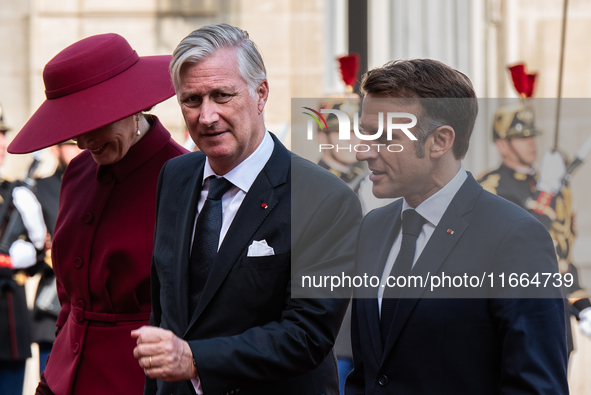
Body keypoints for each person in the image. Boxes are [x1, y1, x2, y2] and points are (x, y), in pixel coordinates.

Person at [131, 23, 361, 395]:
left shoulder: (324, 197)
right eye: (192, 100)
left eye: (222, 96)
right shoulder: (174, 177)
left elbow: (308, 335)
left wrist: (195, 359)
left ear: (261, 93)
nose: (206, 116)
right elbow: (165, 313)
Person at [345, 59, 568, 394]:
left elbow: (537, 385)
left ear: (439, 141)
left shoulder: (514, 237)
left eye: (386, 137)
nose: (364, 151)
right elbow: (367, 373)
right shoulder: (373, 228)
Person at [7, 33, 187, 395]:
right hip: (64, 377)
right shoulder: (78, 172)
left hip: (140, 381)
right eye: (74, 130)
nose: (84, 143)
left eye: (95, 124)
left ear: (131, 106)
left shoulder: (184, 175)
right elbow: (69, 299)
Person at [478, 101, 591, 357]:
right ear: (501, 145)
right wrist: (545, 194)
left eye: (531, 135)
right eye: (520, 136)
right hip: (513, 318)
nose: (531, 142)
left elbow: (560, 257)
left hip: (556, 320)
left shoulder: (550, 188)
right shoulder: (489, 188)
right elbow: (518, 243)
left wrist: (581, 305)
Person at [0, 104, 47, 395]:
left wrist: (20, 254)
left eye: (2, 134)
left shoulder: (15, 193)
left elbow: (39, 251)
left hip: (7, 319)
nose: (2, 143)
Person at [32, 140, 82, 374]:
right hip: (53, 305)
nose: (80, 148)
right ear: (55, 148)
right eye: (71, 144)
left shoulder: (99, 181)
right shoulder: (38, 188)